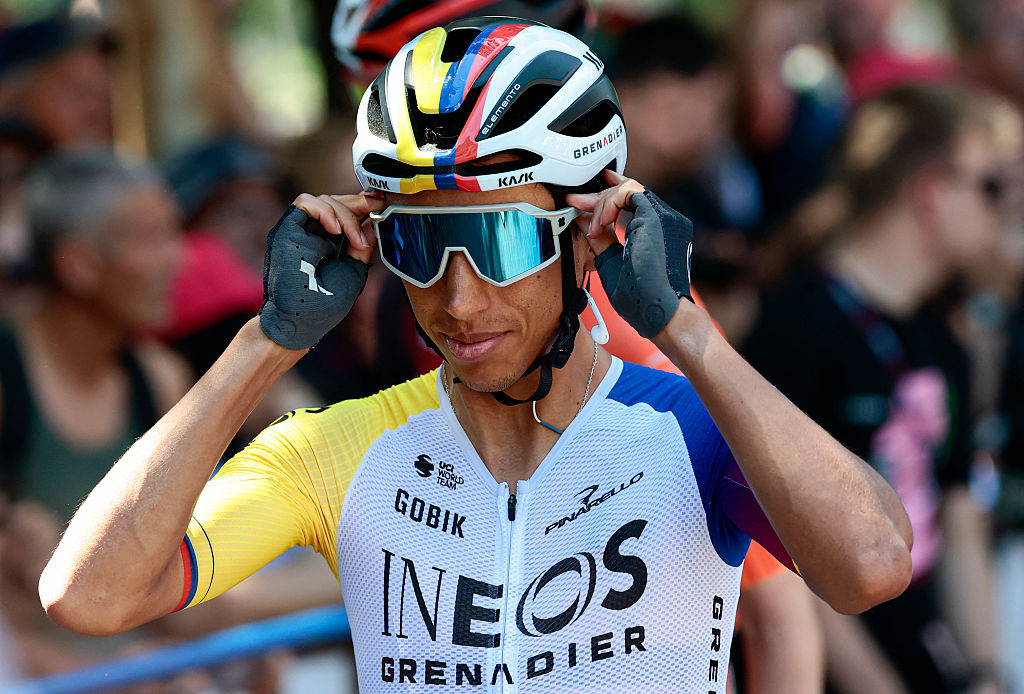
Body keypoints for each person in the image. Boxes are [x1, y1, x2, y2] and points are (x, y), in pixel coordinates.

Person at [39, 19, 911, 692]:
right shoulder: (337, 452)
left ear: (591, 231)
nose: (458, 302)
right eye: (416, 247)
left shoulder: (687, 431)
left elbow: (871, 566)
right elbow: (90, 596)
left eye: (499, 243)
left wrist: (684, 327)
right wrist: (265, 341)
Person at [743, 83, 1007, 694]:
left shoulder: (944, 337)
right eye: (990, 186)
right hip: (826, 664)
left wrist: (986, 674)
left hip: (923, 642)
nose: (1003, 208)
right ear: (932, 191)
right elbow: (786, 557)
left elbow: (960, 516)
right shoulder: (795, 328)